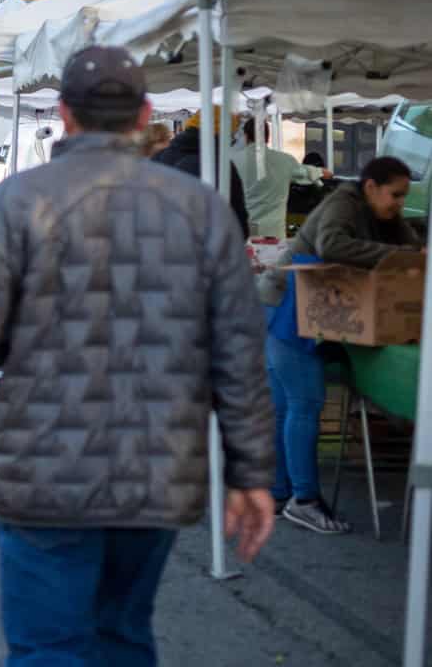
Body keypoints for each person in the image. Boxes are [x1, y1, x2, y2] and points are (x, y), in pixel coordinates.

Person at [0, 46, 275, 666]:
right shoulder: (199, 208)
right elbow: (239, 351)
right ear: (146, 114)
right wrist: (250, 473)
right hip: (155, 469)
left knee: (49, 647)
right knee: (124, 635)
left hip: (44, 469)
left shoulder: (11, 204)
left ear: (65, 114)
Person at [260, 155, 419, 534]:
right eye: (394, 195)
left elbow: (410, 244)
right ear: (370, 187)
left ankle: (280, 493)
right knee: (304, 402)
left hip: (303, 306)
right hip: (286, 305)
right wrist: (403, 257)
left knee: (288, 407)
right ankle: (304, 499)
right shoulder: (342, 203)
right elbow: (331, 244)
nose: (399, 203)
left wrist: (414, 252)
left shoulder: (386, 216)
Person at [153, 108, 250, 237]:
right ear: (223, 134)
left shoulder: (157, 159)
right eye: (231, 135)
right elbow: (238, 222)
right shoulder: (219, 166)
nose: (233, 140)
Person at [233, 119, 329, 240]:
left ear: (246, 137)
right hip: (274, 233)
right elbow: (305, 173)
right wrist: (321, 172)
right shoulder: (284, 160)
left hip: (244, 231)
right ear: (267, 137)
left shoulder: (233, 160)